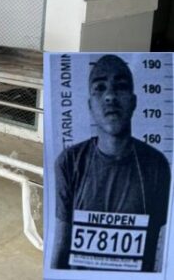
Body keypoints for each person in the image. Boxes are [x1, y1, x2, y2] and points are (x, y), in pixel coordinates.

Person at [51, 54, 171, 272]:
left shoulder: (157, 166)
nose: (110, 96)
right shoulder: (69, 162)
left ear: (133, 102)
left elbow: (160, 254)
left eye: (121, 87)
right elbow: (60, 248)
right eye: (99, 88)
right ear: (90, 105)